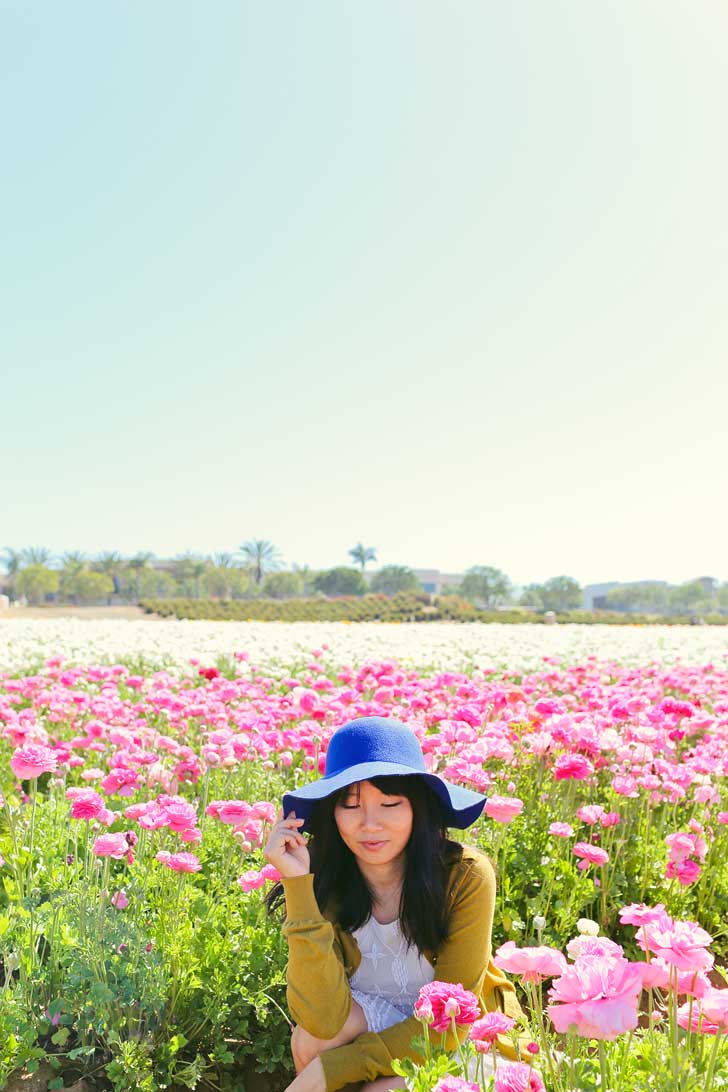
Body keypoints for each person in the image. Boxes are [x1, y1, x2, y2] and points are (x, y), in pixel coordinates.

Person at [264, 716, 527, 1092]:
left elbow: (449, 1020)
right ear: (332, 814)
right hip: (379, 1018)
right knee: (311, 1039)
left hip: (461, 1034)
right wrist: (297, 884)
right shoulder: (324, 878)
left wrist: (334, 1069)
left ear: (418, 808)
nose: (370, 824)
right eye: (351, 805)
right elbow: (321, 1019)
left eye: (389, 803)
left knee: (380, 1089)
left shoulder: (465, 876)